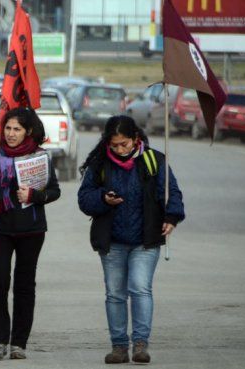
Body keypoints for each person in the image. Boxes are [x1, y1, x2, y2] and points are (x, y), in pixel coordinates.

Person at [77, 115, 184, 364]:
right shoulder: (100, 163)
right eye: (114, 145)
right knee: (115, 294)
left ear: (135, 139)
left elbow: (172, 192)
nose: (119, 149)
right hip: (112, 241)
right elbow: (84, 199)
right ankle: (118, 346)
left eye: (124, 144)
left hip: (145, 240)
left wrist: (172, 217)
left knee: (140, 288)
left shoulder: (153, 160)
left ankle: (140, 344)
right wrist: (103, 199)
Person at [0, 107, 60, 361]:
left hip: (31, 230)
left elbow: (54, 191)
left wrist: (34, 196)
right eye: (8, 128)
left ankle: (19, 343)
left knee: (24, 285)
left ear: (28, 132)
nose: (11, 134)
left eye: (17, 129)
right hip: (0, 228)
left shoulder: (39, 156)